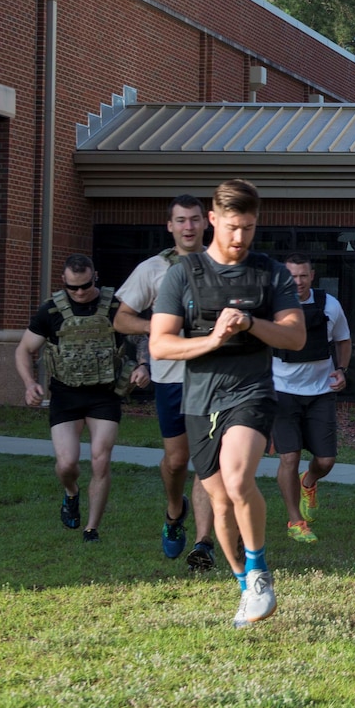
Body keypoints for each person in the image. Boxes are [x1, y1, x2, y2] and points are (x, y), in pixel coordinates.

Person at [148, 178, 308, 629]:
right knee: (219, 502)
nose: (241, 238)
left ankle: (258, 572)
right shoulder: (184, 273)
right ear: (213, 220)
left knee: (238, 480)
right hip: (200, 399)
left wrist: (252, 322)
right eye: (233, 227)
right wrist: (213, 338)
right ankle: (244, 586)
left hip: (251, 392)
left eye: (250, 228)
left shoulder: (270, 273)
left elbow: (295, 337)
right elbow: (161, 345)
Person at [113, 194, 217, 567]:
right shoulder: (153, 268)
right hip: (171, 379)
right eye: (180, 220)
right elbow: (122, 319)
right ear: (169, 226)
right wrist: (155, 326)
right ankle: (175, 511)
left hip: (211, 379)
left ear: (206, 222)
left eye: (194, 219)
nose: (188, 227)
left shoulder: (222, 263)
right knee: (176, 462)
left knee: (207, 461)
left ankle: (203, 543)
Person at [15, 254, 127, 541]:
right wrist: (29, 384)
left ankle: (92, 528)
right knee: (67, 464)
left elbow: (143, 339)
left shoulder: (115, 307)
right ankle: (71, 492)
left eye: (85, 285)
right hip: (65, 394)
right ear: (63, 282)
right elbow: (24, 349)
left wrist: (142, 367)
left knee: (100, 460)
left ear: (96, 277)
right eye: (72, 287)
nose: (79, 292)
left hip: (105, 394)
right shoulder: (51, 310)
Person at [272, 256, 351, 543]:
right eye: (292, 276)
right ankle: (295, 521)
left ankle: (310, 482)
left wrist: (341, 370)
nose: (298, 282)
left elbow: (343, 340)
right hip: (281, 391)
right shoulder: (274, 305)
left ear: (312, 275)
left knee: (326, 460)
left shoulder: (330, 305)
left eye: (303, 276)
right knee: (289, 457)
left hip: (321, 391)